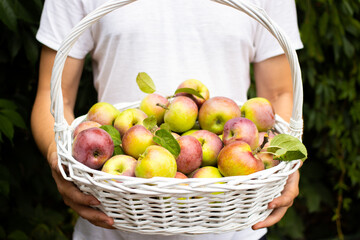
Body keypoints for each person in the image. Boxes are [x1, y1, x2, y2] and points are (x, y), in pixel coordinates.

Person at [31, 0, 303, 239]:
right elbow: (53, 95)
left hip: (237, 227)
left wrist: (289, 162)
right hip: (110, 221)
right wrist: (59, 158)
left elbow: (279, 94)